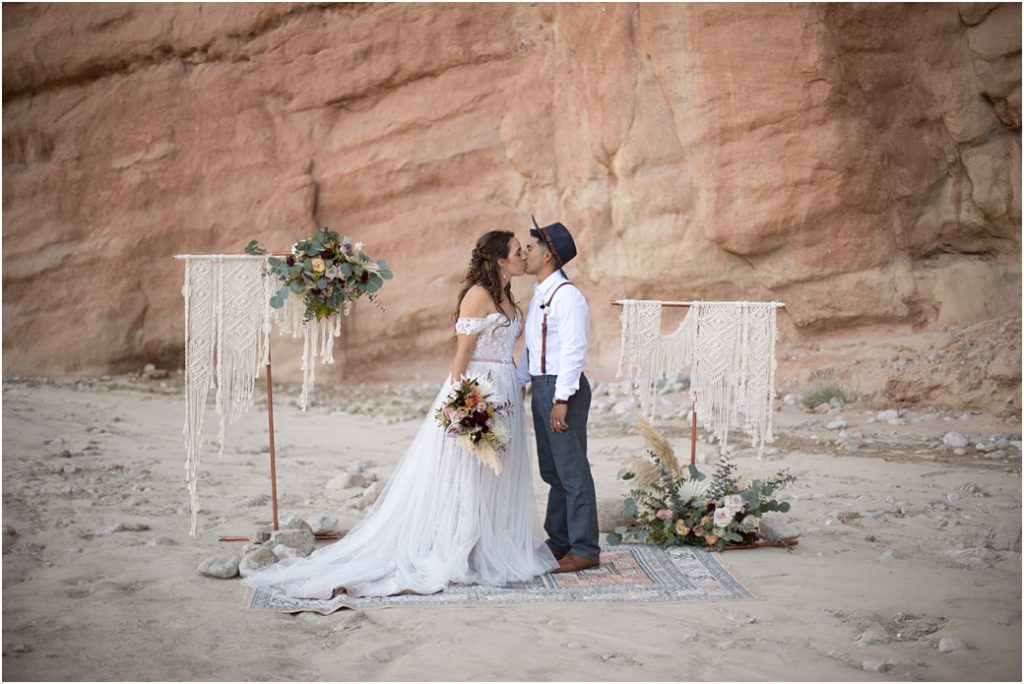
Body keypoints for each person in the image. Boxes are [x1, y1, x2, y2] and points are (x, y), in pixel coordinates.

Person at [242, 230, 558, 600]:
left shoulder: (507, 294)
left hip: (505, 390)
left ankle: (489, 545)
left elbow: (508, 348)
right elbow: (462, 355)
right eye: (518, 252)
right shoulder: (479, 295)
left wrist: (517, 386)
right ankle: (461, 548)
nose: (524, 256)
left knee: (499, 473)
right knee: (469, 474)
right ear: (501, 260)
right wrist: (461, 405)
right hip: (477, 391)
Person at [516, 218, 600, 574]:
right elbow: (533, 348)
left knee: (572, 469)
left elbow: (574, 351)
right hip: (542, 383)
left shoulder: (567, 297)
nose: (524, 252)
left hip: (561, 387)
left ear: (549, 255)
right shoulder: (540, 296)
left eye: (531, 248)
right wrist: (520, 381)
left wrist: (561, 399)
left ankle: (585, 547)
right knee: (552, 469)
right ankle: (561, 539)